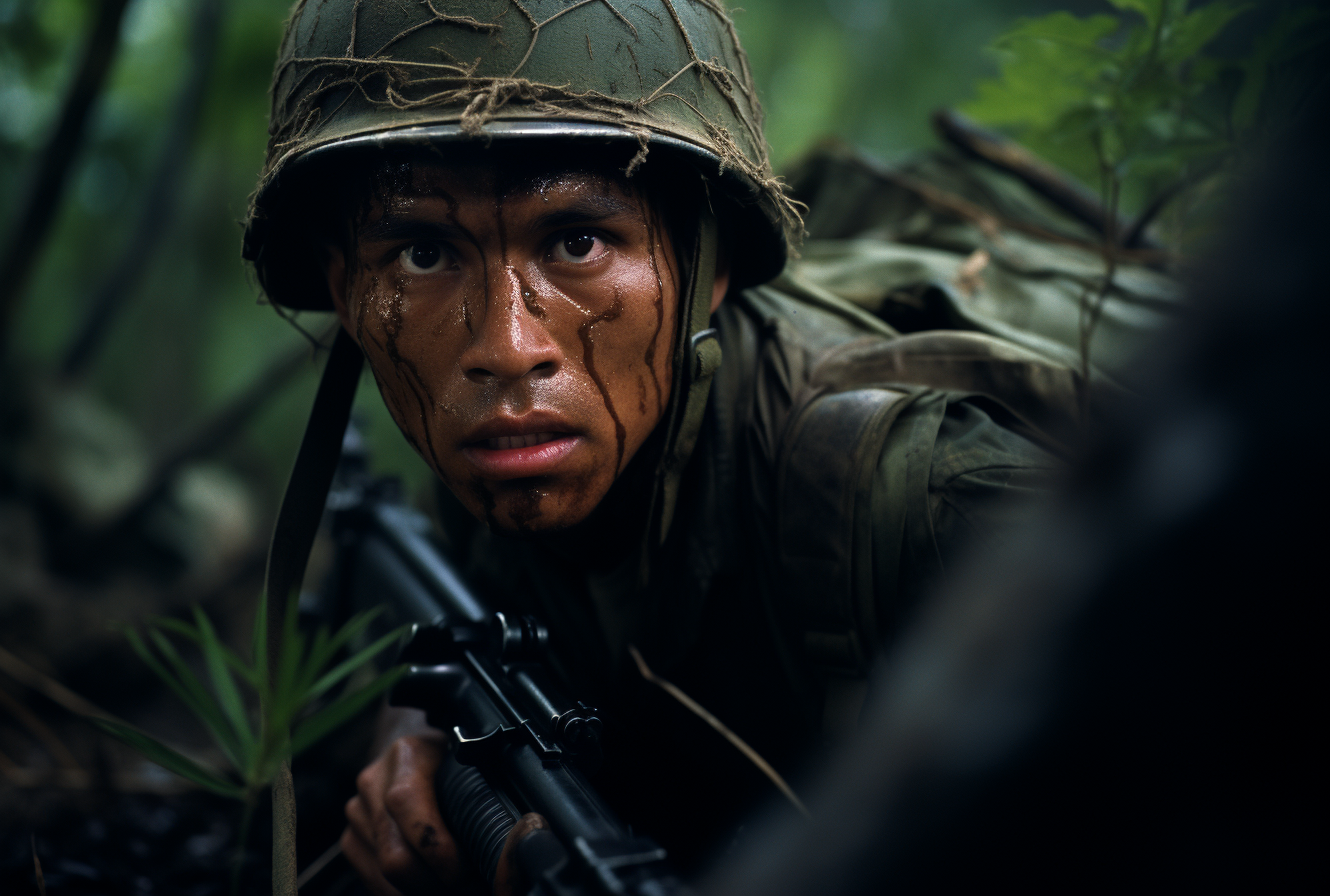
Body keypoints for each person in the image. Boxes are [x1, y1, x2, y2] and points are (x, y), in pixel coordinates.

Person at [242, 2, 1066, 893]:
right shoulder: (503, 462)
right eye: (423, 256)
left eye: (578, 242)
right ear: (345, 291)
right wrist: (418, 730)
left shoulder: (934, 505)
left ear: (709, 269)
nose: (507, 349)